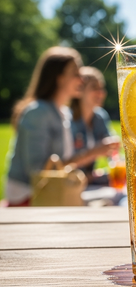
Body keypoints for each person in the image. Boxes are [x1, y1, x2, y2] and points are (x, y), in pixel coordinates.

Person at [6, 47, 118, 206]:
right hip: (29, 198)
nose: (82, 80)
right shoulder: (38, 112)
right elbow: (38, 172)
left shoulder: (63, 113)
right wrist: (92, 153)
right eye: (76, 74)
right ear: (59, 77)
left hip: (52, 192)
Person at [70, 66, 119, 184]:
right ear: (80, 90)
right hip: (69, 184)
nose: (101, 93)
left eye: (102, 88)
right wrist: (95, 152)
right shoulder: (67, 119)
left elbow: (112, 150)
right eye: (94, 87)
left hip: (90, 180)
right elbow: (63, 163)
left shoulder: (100, 117)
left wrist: (114, 151)